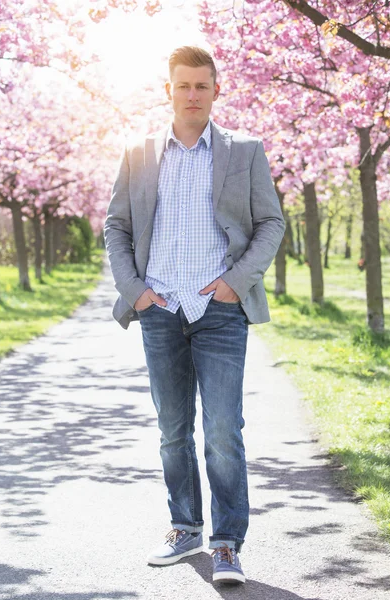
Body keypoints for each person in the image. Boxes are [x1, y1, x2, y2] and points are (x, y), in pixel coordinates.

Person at [104, 46, 285, 585]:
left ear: (215, 90)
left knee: (223, 428)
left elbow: (270, 223)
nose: (192, 95)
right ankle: (186, 528)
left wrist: (236, 282)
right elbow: (117, 226)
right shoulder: (137, 153)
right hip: (160, 308)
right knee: (172, 429)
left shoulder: (245, 151)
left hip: (219, 310)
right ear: (168, 89)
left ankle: (228, 542)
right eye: (183, 85)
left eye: (201, 86)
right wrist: (134, 290)